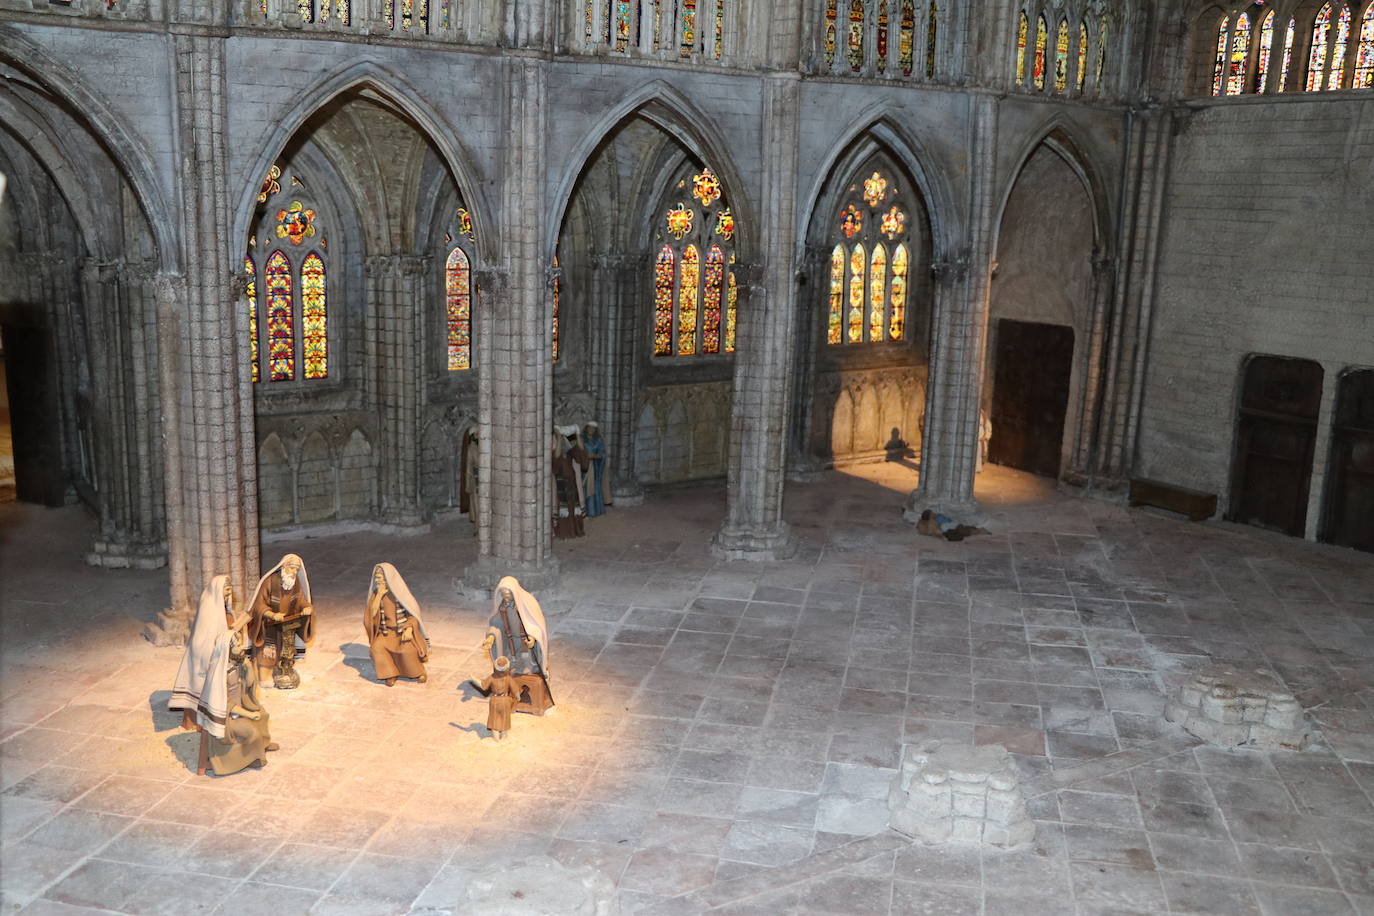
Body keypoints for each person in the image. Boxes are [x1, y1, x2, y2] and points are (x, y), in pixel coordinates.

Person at [169, 576, 276, 776]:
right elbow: (205, 645)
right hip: (217, 681)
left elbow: (247, 682)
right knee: (248, 727)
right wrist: (225, 647)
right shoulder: (209, 616)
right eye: (226, 592)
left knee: (262, 715)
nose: (229, 595)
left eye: (229, 591)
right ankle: (246, 757)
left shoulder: (226, 617)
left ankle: (261, 745)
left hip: (232, 681)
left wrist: (240, 653)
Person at [470, 576, 554, 714]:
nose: (506, 597)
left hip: (524, 639)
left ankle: (528, 677)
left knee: (528, 661)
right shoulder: (503, 607)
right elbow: (496, 623)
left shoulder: (526, 603)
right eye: (503, 595)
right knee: (512, 659)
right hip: (511, 640)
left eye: (508, 594)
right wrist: (491, 637)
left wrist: (533, 637)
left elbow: (535, 623)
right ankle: (515, 683)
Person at [248, 553, 315, 689]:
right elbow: (259, 604)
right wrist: (271, 614)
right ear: (284, 566)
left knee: (287, 651)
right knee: (268, 654)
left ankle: (285, 671)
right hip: (269, 626)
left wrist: (307, 608)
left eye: (297, 569)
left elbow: (301, 601)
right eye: (292, 568)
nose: (294, 572)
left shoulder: (295, 584)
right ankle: (264, 676)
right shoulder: (270, 582)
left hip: (288, 625)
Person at [363, 562, 430, 686]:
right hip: (386, 632)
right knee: (377, 648)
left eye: (382, 577)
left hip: (401, 631)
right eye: (377, 577)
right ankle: (390, 673)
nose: (379, 580)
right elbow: (371, 615)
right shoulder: (376, 596)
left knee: (407, 651)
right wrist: (379, 596)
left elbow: (413, 615)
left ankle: (418, 672)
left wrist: (409, 629)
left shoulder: (400, 595)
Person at [551, 426, 589, 538]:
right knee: (562, 510)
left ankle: (575, 531)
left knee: (574, 509)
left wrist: (577, 433)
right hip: (559, 487)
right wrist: (558, 435)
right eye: (557, 441)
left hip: (572, 485)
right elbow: (556, 460)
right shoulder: (553, 455)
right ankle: (564, 532)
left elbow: (581, 450)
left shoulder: (570, 453)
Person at [474, 655, 517, 740]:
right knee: (505, 720)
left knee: (494, 720)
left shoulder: (492, 677)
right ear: (507, 668)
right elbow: (516, 690)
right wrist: (517, 698)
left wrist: (474, 679)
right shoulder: (508, 678)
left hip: (494, 701)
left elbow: (483, 686)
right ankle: (504, 738)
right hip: (505, 701)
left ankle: (496, 739)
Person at [582, 422, 608, 518]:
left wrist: (595, 456)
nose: (591, 430)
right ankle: (583, 510)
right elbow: (573, 447)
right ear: (586, 428)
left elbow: (603, 454)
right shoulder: (581, 438)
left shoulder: (598, 440)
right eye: (589, 428)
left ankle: (594, 510)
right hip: (582, 468)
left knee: (594, 487)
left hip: (594, 468)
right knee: (582, 487)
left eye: (593, 428)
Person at [459, 427, 479, 530]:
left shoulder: (479, 447)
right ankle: (477, 526)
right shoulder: (471, 448)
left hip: (481, 479)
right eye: (477, 433)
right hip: (475, 481)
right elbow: (468, 467)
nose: (479, 435)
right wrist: (468, 485)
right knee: (476, 504)